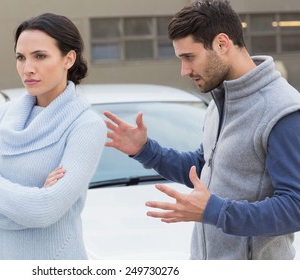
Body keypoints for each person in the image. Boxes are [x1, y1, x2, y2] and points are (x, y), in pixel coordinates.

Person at [104, 0, 300, 259]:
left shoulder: (282, 110)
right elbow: (205, 167)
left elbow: (295, 208)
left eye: (189, 57)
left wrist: (215, 211)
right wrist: (146, 151)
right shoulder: (221, 98)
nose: (184, 71)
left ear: (222, 44)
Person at [0, 13, 106, 260]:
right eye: (20, 57)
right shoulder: (3, 115)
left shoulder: (86, 125)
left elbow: (44, 211)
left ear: (68, 59)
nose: (27, 68)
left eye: (40, 56)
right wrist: (32, 204)